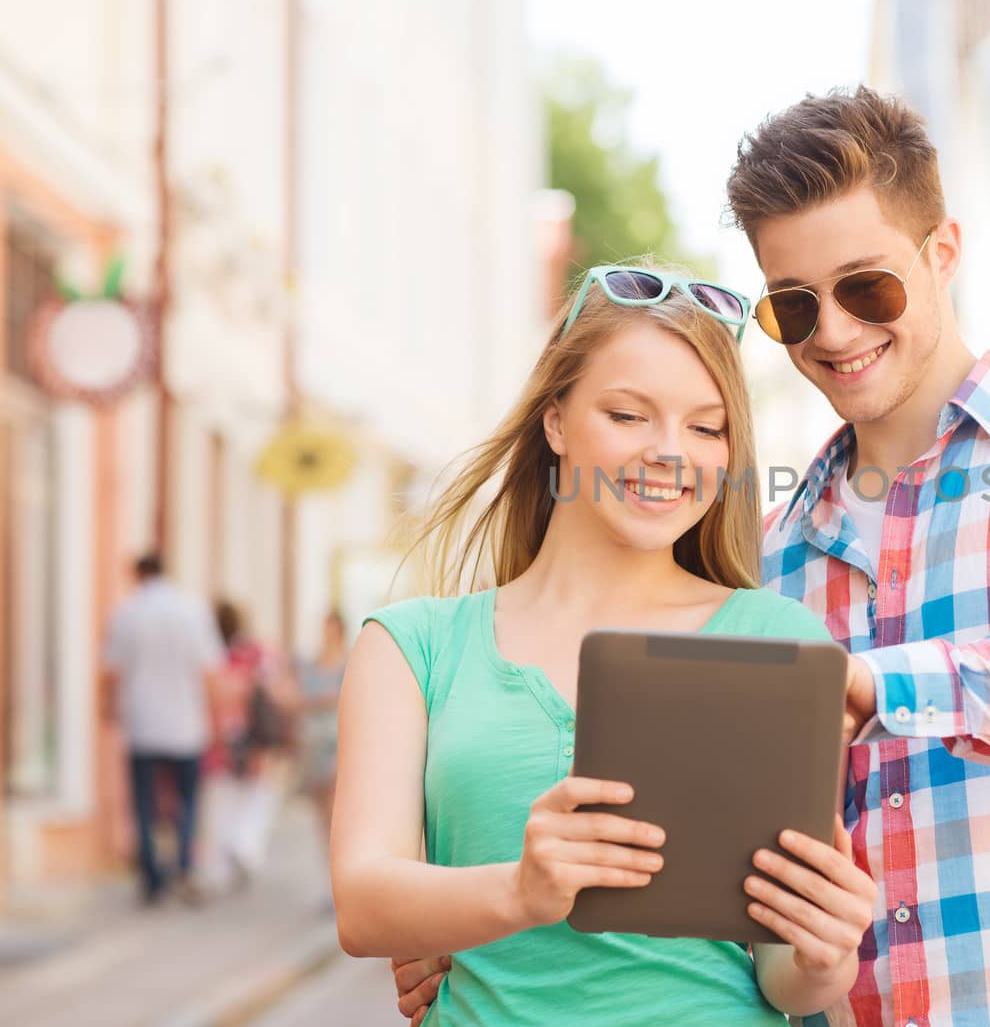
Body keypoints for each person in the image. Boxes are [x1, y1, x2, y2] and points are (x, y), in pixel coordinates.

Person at [397, 87, 990, 1026]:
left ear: (942, 252)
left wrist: (882, 686)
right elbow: (682, 841)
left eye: (867, 287)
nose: (832, 331)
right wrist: (477, 923)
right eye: (795, 306)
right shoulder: (764, 561)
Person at [333, 261, 878, 1026]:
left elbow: (784, 974)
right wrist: (520, 891)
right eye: (627, 415)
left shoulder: (777, 640)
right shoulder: (411, 646)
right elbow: (362, 904)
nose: (670, 451)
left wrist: (828, 953)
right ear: (555, 419)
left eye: (705, 426)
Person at [101, 552, 225, 906]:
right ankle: (184, 866)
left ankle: (152, 875)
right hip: (186, 721)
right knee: (187, 800)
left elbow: (110, 669)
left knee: (144, 801)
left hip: (142, 722)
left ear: (139, 574)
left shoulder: (127, 612)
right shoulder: (192, 610)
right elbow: (210, 670)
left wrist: (108, 708)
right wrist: (216, 720)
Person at [202, 599, 294, 890]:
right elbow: (277, 690)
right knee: (257, 793)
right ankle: (244, 847)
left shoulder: (210, 656)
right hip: (252, 736)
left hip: (220, 737)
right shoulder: (255, 654)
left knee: (222, 799)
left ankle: (224, 862)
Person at [297, 610, 348, 849]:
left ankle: (335, 862)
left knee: (333, 802)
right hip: (314, 740)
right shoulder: (312, 663)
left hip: (337, 740)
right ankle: (328, 863)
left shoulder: (348, 662)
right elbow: (299, 698)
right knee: (321, 807)